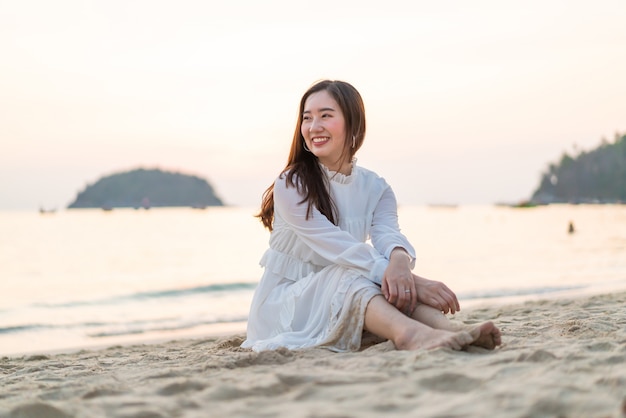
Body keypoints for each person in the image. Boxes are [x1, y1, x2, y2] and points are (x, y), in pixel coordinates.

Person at [241, 80, 501, 353]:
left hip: (342, 290)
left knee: (382, 277)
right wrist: (414, 281)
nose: (313, 127)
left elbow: (387, 233)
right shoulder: (292, 184)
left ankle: (453, 331)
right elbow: (339, 248)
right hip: (286, 307)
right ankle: (410, 335)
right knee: (361, 275)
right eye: (307, 118)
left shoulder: (376, 187)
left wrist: (400, 261)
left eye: (325, 116)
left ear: (353, 123)